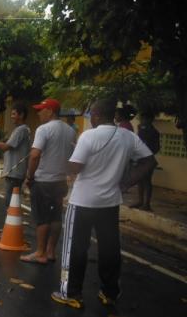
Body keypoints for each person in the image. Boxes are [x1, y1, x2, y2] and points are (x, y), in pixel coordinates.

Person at [51, 99, 156, 309]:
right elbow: (150, 161)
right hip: (110, 203)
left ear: (97, 115)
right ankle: (109, 292)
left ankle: (71, 293)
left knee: (75, 248)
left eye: (91, 114)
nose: (90, 118)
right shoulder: (128, 136)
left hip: (82, 202)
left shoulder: (89, 136)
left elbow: (76, 168)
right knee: (110, 248)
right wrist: (127, 182)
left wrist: (66, 158)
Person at [22, 98, 76, 264]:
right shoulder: (70, 131)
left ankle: (40, 252)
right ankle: (51, 251)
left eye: (41, 110)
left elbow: (35, 155)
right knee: (55, 217)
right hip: (60, 181)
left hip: (43, 181)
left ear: (50, 111)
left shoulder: (43, 129)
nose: (38, 113)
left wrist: (30, 177)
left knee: (42, 218)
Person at [0, 102, 31, 208]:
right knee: (12, 201)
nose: (11, 116)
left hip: (14, 173)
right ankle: (11, 221)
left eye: (13, 114)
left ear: (21, 115)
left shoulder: (21, 130)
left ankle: (10, 222)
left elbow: (6, 147)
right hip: (15, 172)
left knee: (10, 202)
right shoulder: (23, 129)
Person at [130, 112, 160, 211]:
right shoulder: (141, 129)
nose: (142, 121)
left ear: (150, 120)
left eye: (144, 119)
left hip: (147, 159)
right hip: (139, 158)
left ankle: (147, 204)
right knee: (140, 180)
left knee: (147, 181)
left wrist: (148, 153)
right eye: (141, 119)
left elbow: (156, 147)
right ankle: (140, 201)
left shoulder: (153, 132)